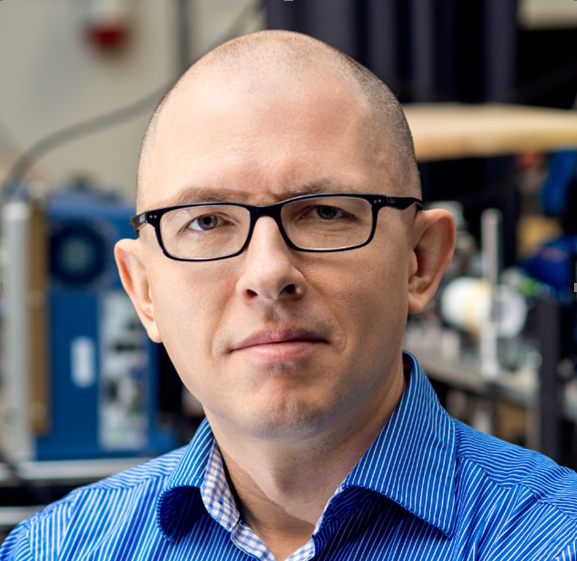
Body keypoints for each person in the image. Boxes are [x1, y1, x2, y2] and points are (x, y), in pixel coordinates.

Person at [2, 29, 577, 561]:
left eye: (325, 212)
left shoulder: (553, 539)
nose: (269, 272)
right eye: (206, 221)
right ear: (144, 290)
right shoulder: (56, 548)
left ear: (421, 262)